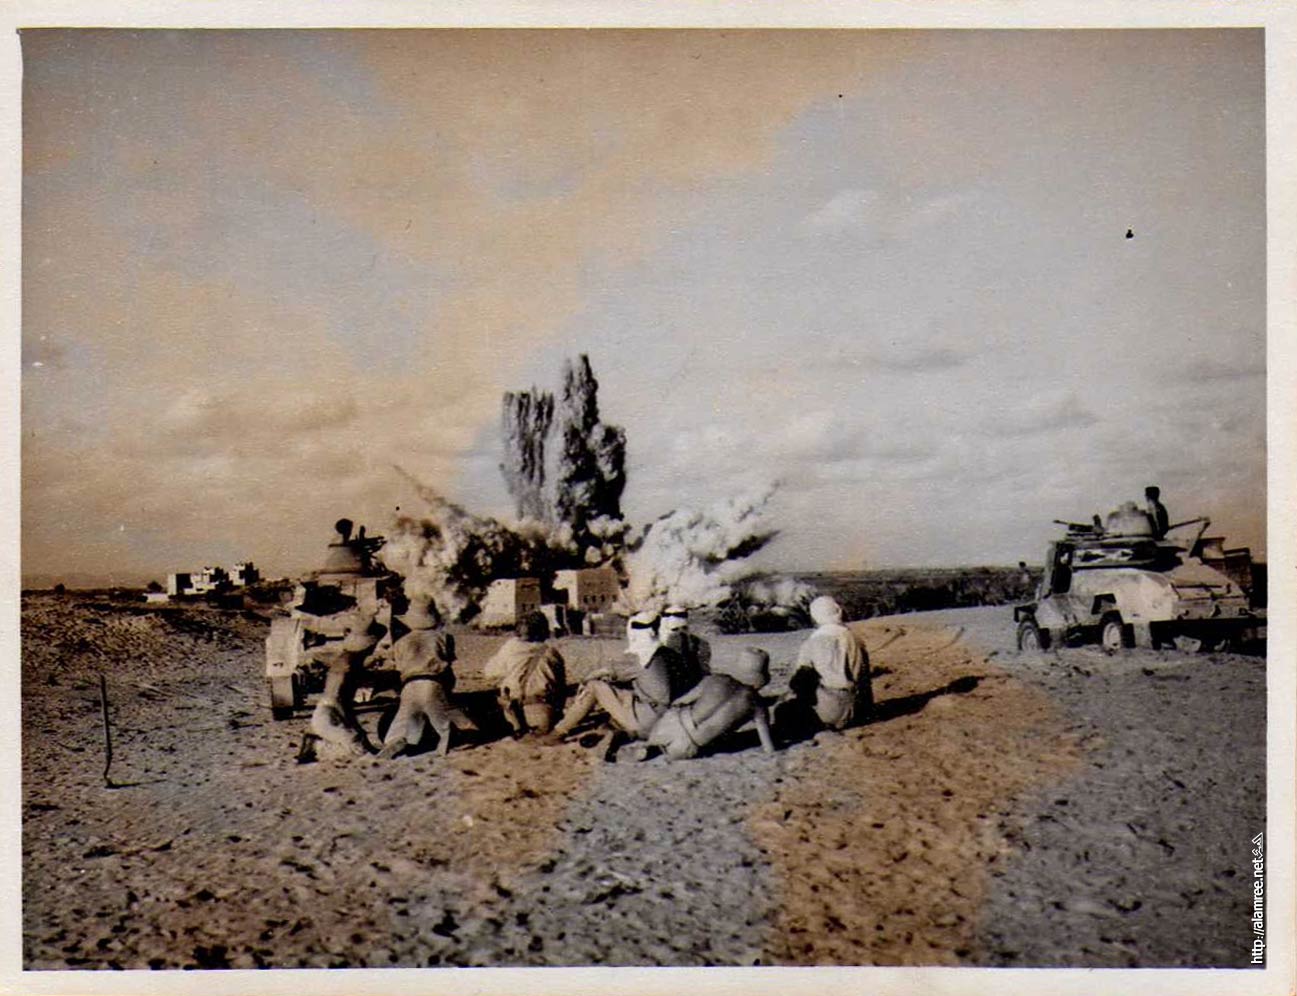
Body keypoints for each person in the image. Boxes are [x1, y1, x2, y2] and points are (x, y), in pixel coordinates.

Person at [546, 610, 687, 759]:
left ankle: (557, 734)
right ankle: (610, 735)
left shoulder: (642, 657)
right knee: (619, 702)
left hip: (644, 720)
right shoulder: (668, 654)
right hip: (665, 720)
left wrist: (585, 682)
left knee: (594, 687)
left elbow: (605, 672)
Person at [377, 596, 476, 759]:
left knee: (406, 717)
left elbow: (399, 668)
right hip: (432, 682)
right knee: (443, 717)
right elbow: (448, 667)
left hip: (409, 684)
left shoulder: (401, 642)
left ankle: (396, 741)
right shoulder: (443, 638)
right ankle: (457, 739)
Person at [644, 647, 776, 761]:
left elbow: (680, 700)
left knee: (677, 714)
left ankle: (652, 744)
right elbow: (768, 747)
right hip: (689, 745)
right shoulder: (758, 705)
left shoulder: (716, 679)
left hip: (671, 724)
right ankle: (668, 747)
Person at [788, 595, 872, 731]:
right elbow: (865, 678)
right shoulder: (854, 638)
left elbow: (800, 682)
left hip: (831, 709)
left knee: (785, 708)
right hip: (859, 707)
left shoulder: (812, 642)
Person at [483, 611, 568, 736]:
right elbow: (561, 687)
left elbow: (490, 673)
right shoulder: (551, 652)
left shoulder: (510, 647)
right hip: (543, 713)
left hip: (514, 713)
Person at [659, 604, 711, 689]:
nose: (680, 633)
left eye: (684, 628)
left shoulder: (699, 644)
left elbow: (704, 671)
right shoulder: (659, 649)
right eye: (675, 629)